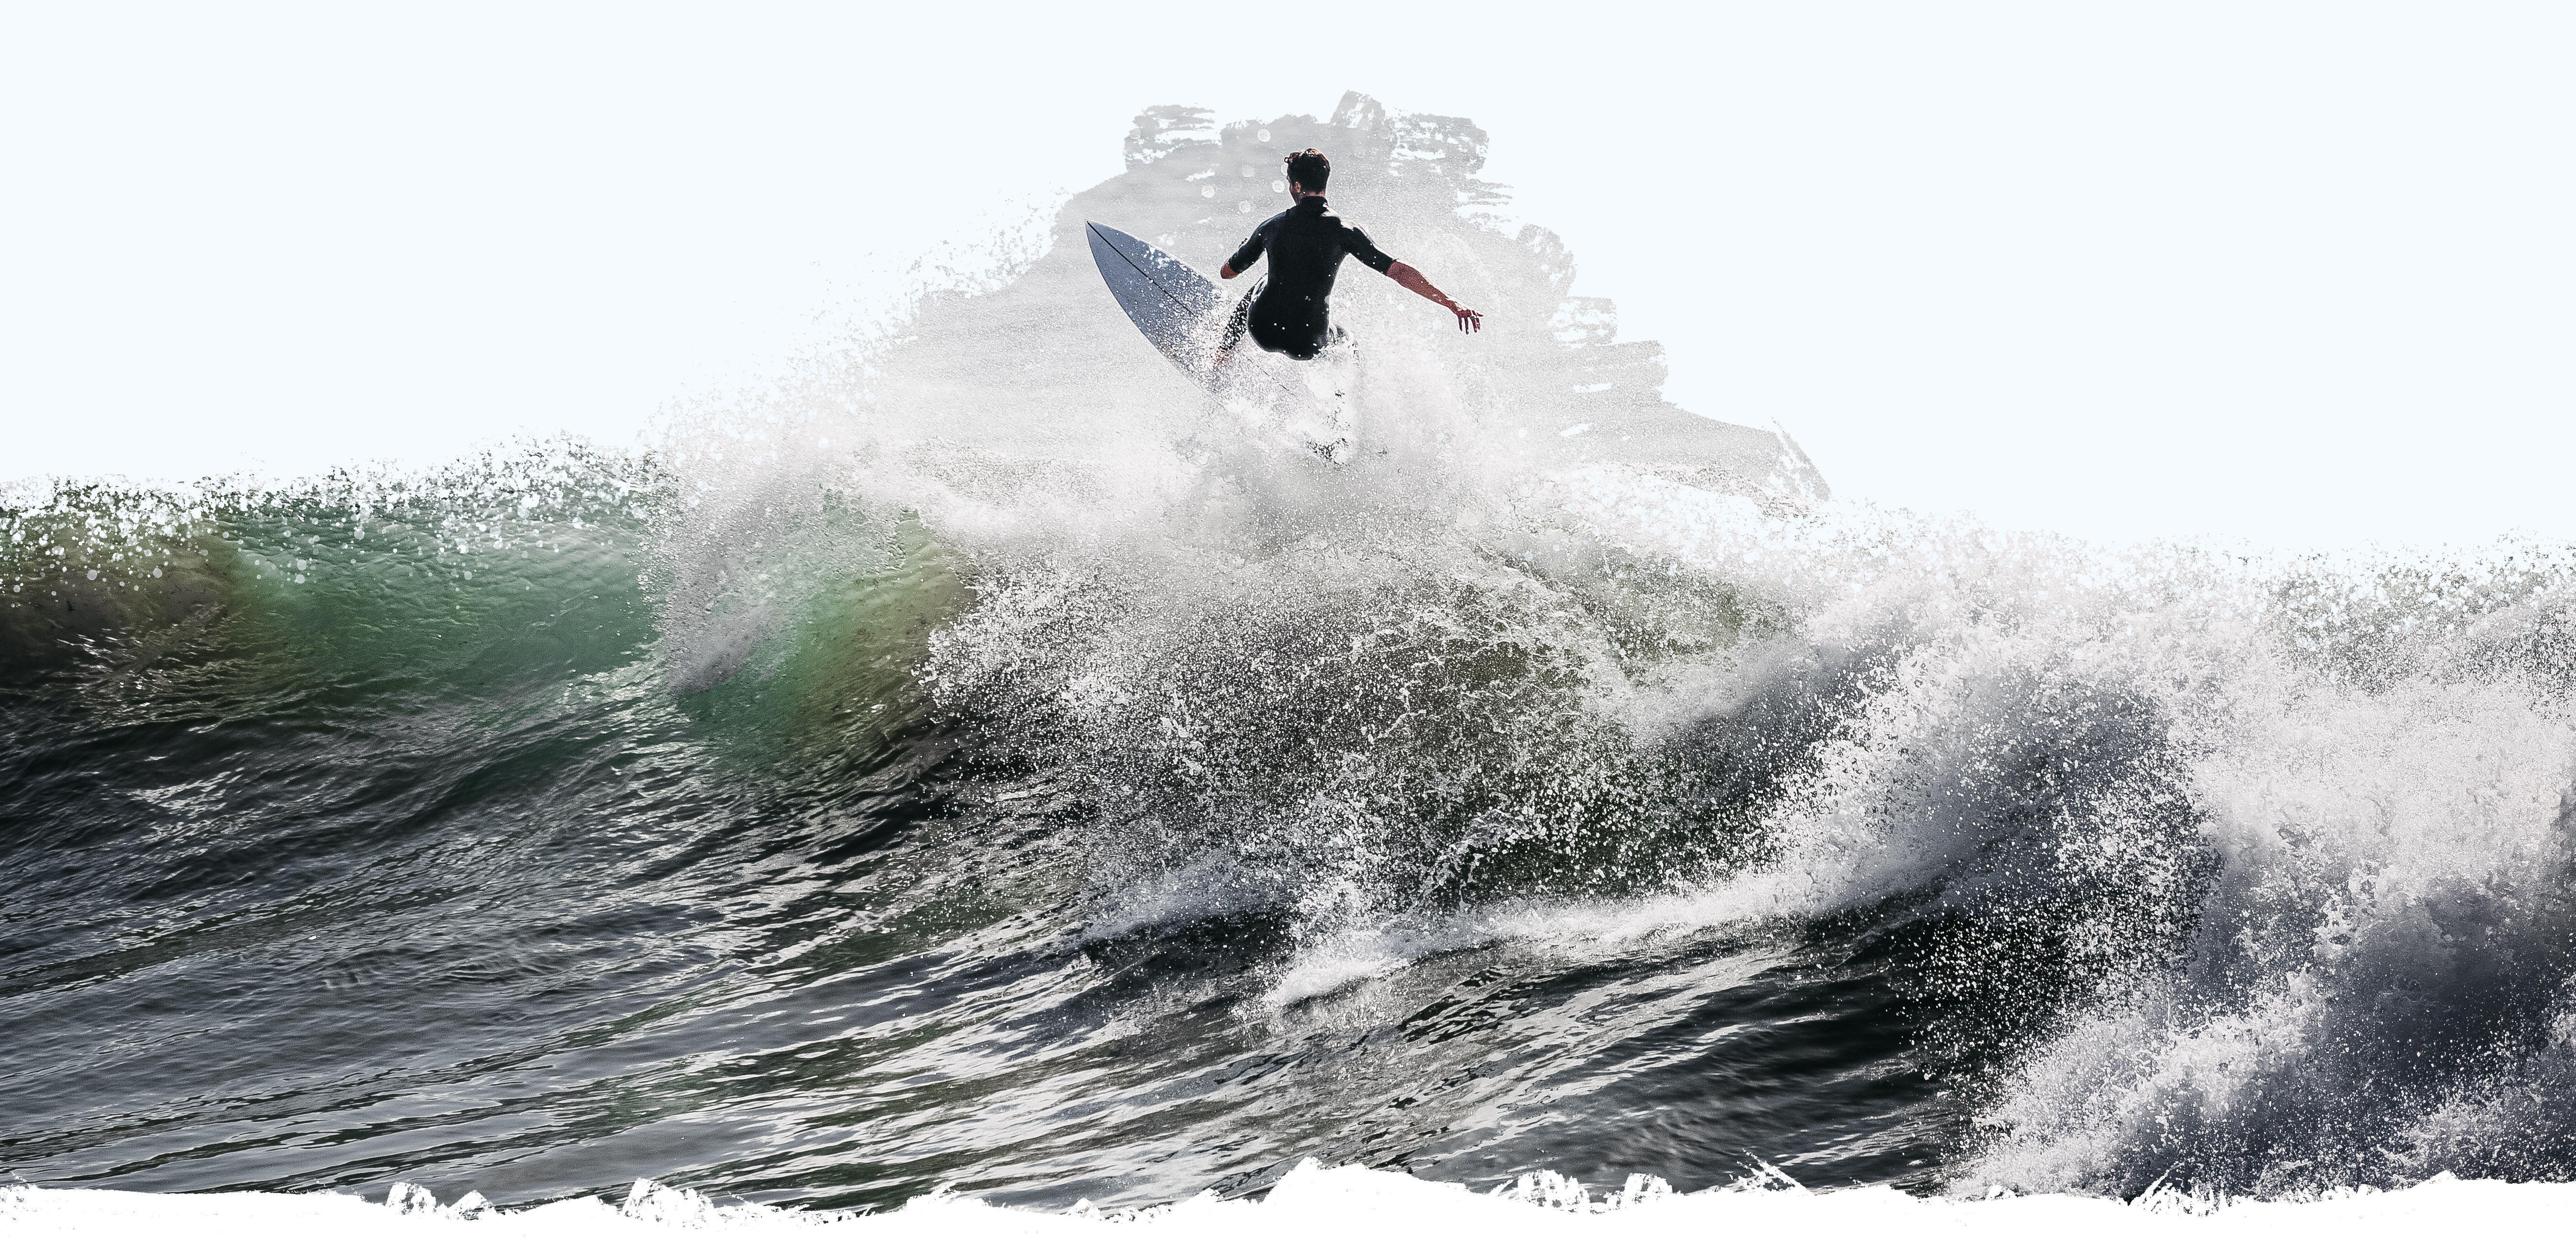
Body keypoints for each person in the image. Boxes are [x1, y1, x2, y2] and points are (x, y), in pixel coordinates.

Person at [1215, 149, 1481, 364]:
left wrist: (1249, 247)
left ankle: (1222, 353)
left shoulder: (1271, 227)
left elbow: (1227, 273)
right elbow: (1399, 272)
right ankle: (1340, 412)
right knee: (1348, 341)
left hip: (1263, 330)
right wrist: (1451, 303)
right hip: (1309, 342)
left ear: (1296, 185)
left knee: (1262, 283)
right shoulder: (1346, 231)